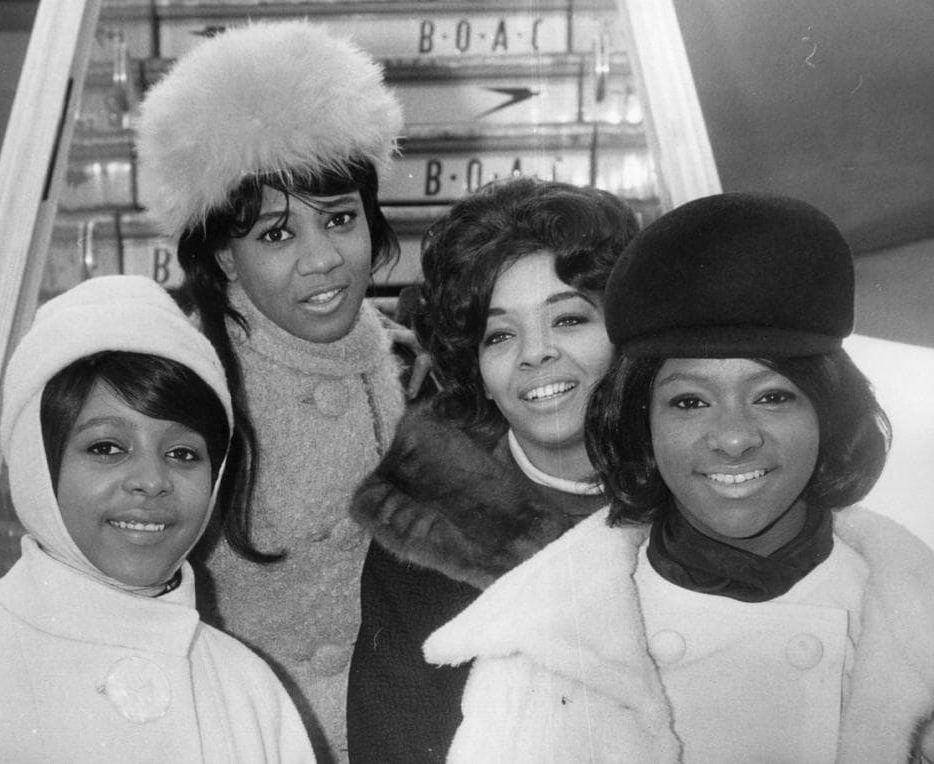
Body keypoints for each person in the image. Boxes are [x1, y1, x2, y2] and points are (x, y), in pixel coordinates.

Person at [423, 192, 934, 762]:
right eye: (690, 402)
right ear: (640, 423)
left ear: (830, 413)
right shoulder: (543, 648)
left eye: (772, 396)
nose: (734, 438)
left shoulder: (916, 620)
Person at [135, 21, 407, 760]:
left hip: (391, 723)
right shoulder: (188, 388)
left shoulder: (396, 358)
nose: (324, 260)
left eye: (340, 219)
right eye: (277, 235)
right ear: (225, 255)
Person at [0, 275, 314, 762]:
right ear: (35, 465)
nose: (151, 481)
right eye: (107, 448)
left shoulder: (249, 689)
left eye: (182, 453)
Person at [347, 176, 640, 761]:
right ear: (474, 367)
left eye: (568, 320)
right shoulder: (423, 534)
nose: (535, 353)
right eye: (500, 334)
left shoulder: (698, 494)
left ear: (625, 334)